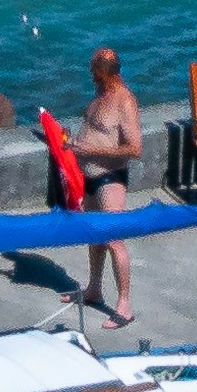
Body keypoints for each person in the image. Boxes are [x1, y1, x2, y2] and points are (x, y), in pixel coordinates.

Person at [63, 45, 152, 326]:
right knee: (94, 235)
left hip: (110, 178)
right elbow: (95, 132)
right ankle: (94, 289)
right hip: (88, 176)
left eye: (94, 71)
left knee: (114, 239)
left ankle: (124, 306)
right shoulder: (100, 95)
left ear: (106, 73)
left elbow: (135, 148)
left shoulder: (125, 101)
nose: (90, 75)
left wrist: (92, 151)